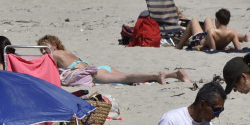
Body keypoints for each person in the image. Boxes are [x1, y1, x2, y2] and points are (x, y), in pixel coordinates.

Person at [37, 35, 190, 86]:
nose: (44, 52)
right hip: (101, 67)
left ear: (54, 46)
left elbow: (38, 66)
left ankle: (159, 74)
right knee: (130, 77)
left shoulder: (54, 55)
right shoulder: (67, 52)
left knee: (127, 78)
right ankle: (175, 74)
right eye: (41, 50)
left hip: (94, 73)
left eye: (46, 47)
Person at [175, 8, 250, 51]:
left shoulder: (211, 32)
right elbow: (238, 49)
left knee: (193, 21)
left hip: (200, 39)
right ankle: (244, 37)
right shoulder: (233, 32)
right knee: (208, 19)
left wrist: (196, 47)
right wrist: (227, 48)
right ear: (228, 21)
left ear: (217, 21)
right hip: (213, 36)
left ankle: (179, 45)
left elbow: (211, 49)